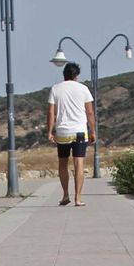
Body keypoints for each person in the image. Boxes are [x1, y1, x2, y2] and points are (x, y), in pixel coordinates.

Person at [47, 62, 96, 207]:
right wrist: (92, 131)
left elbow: (51, 112)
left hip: (62, 132)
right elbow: (90, 112)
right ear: (76, 75)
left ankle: (65, 195)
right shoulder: (84, 89)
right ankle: (78, 198)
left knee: (63, 163)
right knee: (78, 163)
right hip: (80, 132)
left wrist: (50, 131)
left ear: (64, 74)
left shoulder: (55, 89)